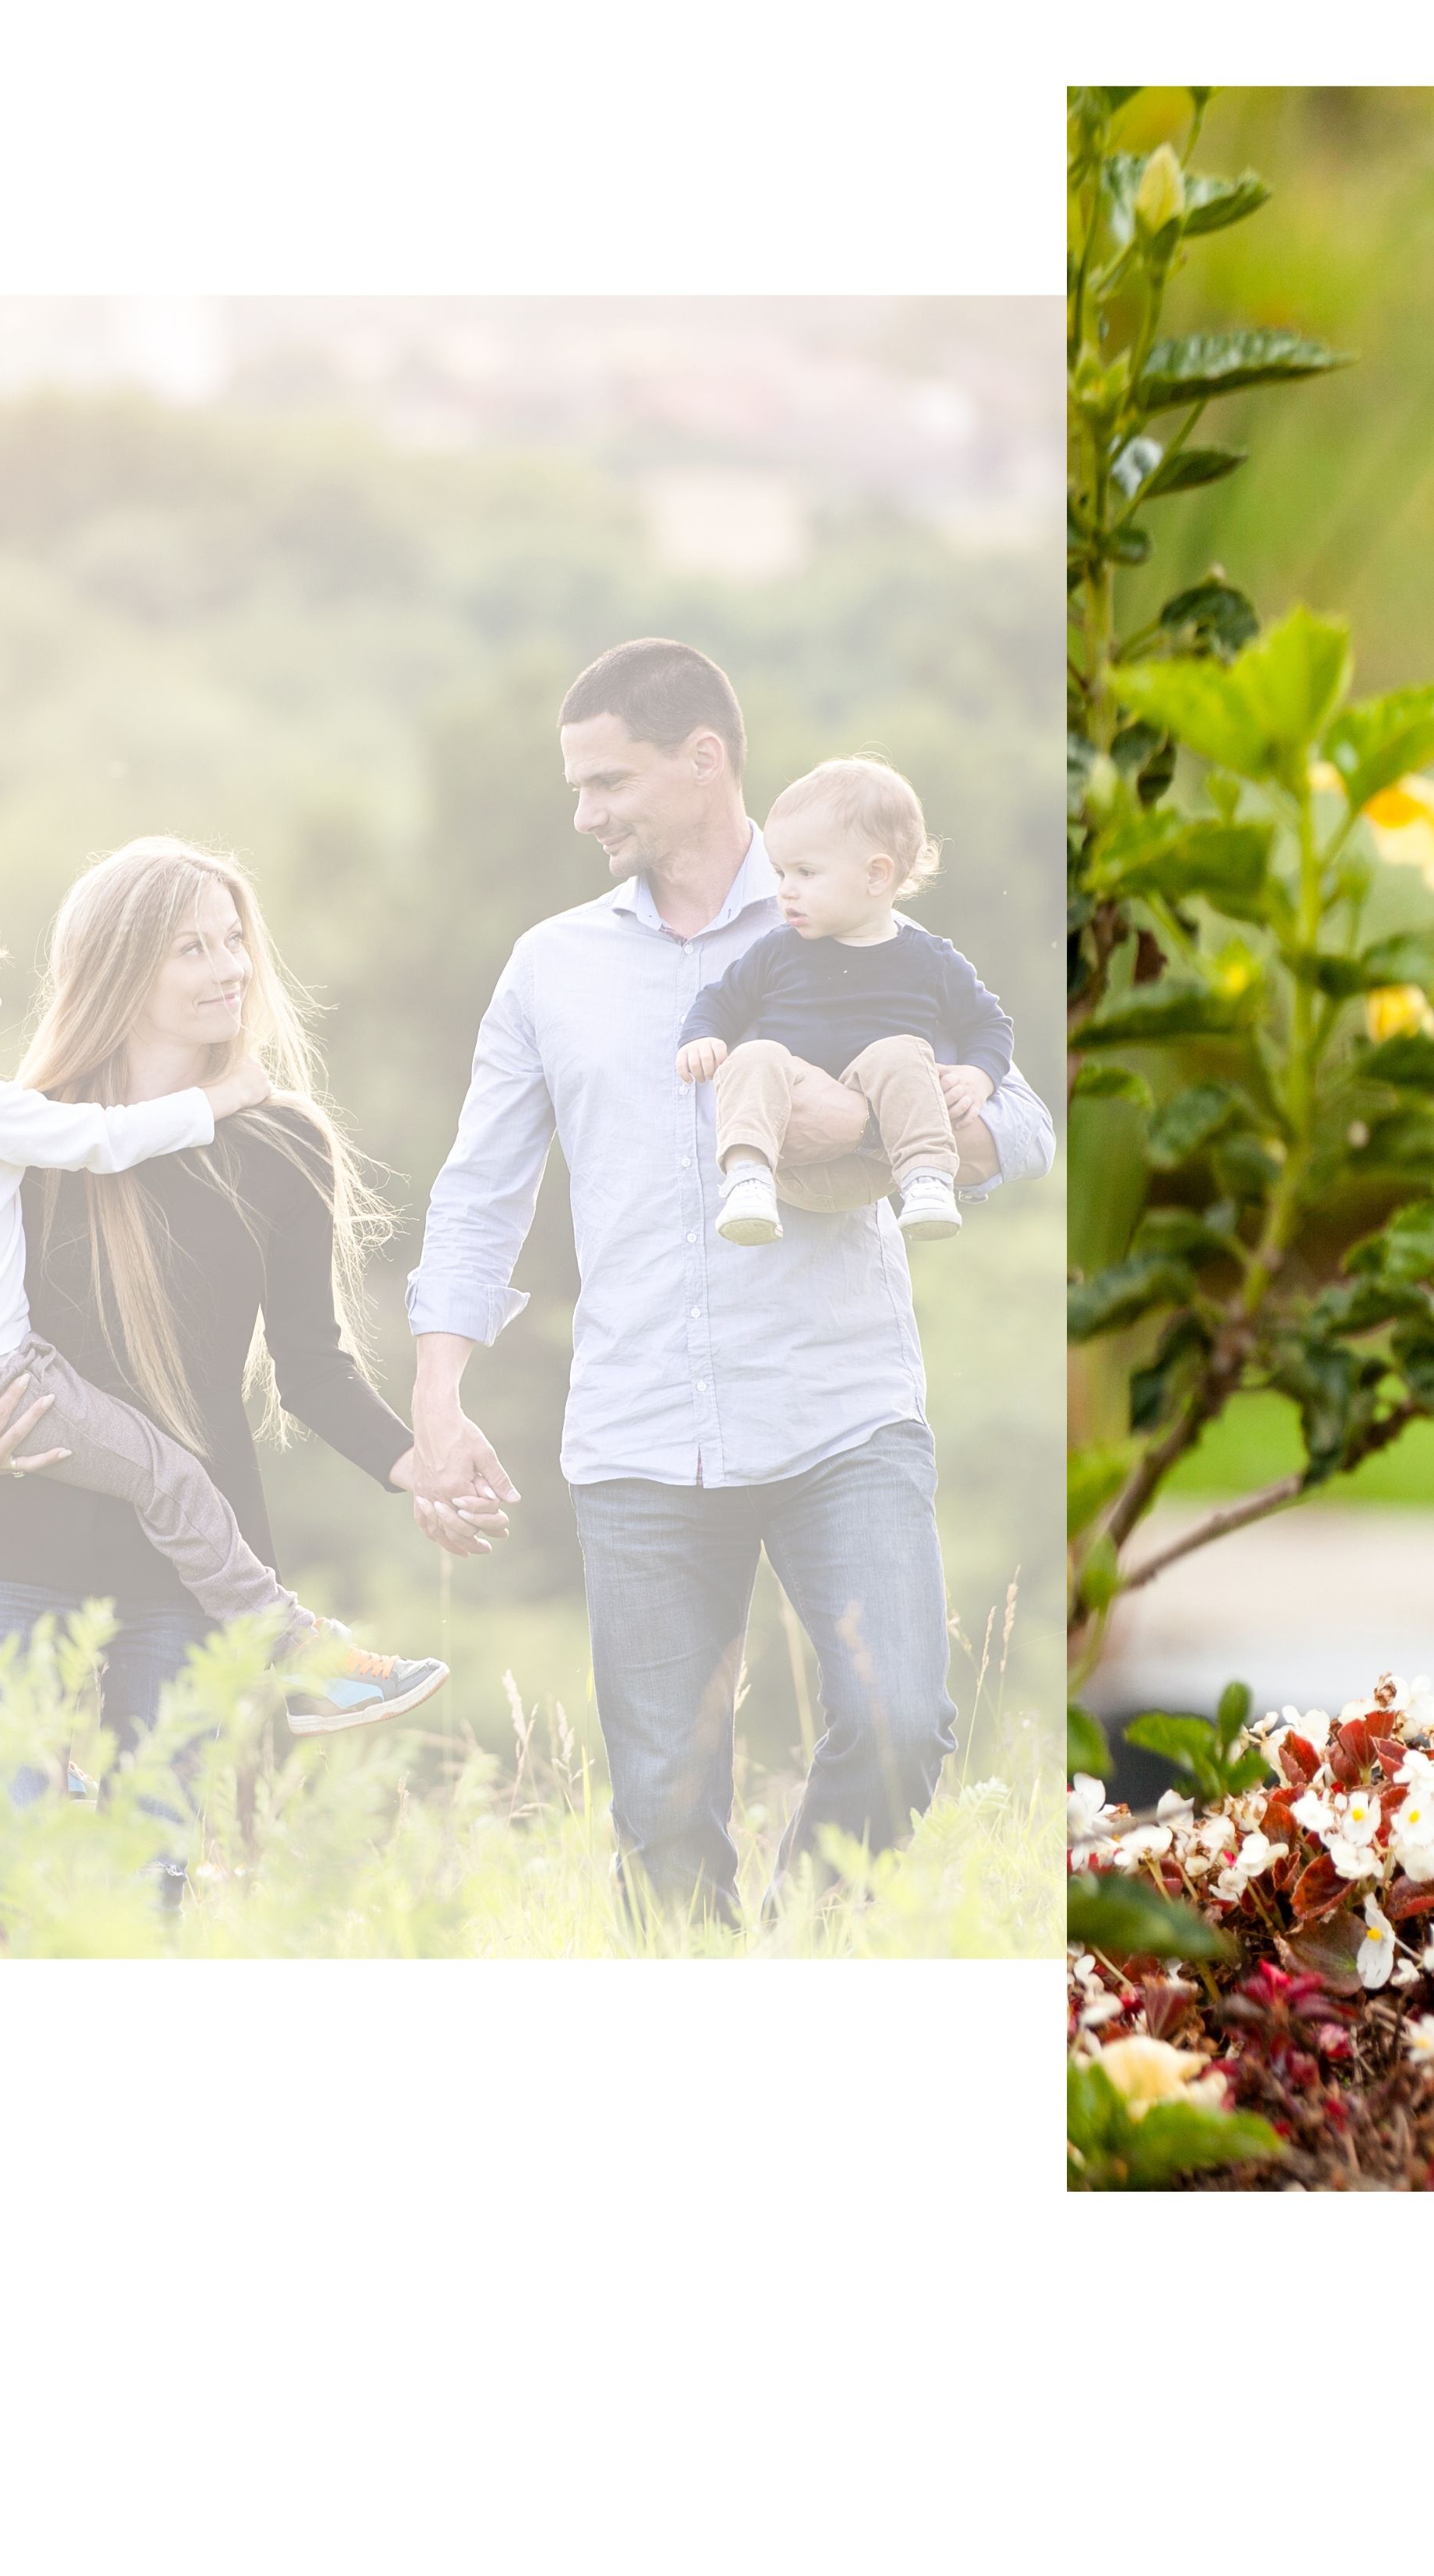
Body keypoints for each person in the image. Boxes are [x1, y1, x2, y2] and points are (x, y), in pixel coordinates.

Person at [399, 638, 1051, 1917]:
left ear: (705, 762)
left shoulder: (865, 925)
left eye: (608, 781)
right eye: (576, 786)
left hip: (840, 1411)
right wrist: (438, 1394)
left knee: (900, 1720)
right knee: (661, 1812)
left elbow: (1022, 1123)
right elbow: (481, 1189)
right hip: (639, 1433)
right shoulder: (552, 967)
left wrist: (877, 1133)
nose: (583, 811)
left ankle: (801, 1958)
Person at [0, 863, 449, 1735]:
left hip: (184, 1572)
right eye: (194, 947)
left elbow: (312, 1367)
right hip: (21, 1545)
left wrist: (422, 1464)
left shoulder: (281, 1143)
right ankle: (290, 1647)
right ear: (122, 968)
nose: (231, 968)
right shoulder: (30, 1131)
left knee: (152, 1862)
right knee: (14, 1849)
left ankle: (296, 1651)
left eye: (235, 942)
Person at [675, 755, 1012, 1247]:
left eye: (806, 873)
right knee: (755, 1055)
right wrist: (701, 1037)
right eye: (779, 872)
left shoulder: (930, 959)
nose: (784, 891)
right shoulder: (778, 950)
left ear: (877, 875)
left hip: (884, 1166)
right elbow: (719, 1001)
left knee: (900, 1052)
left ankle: (929, 1182)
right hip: (788, 1157)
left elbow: (990, 1024)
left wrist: (979, 1075)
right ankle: (745, 1181)